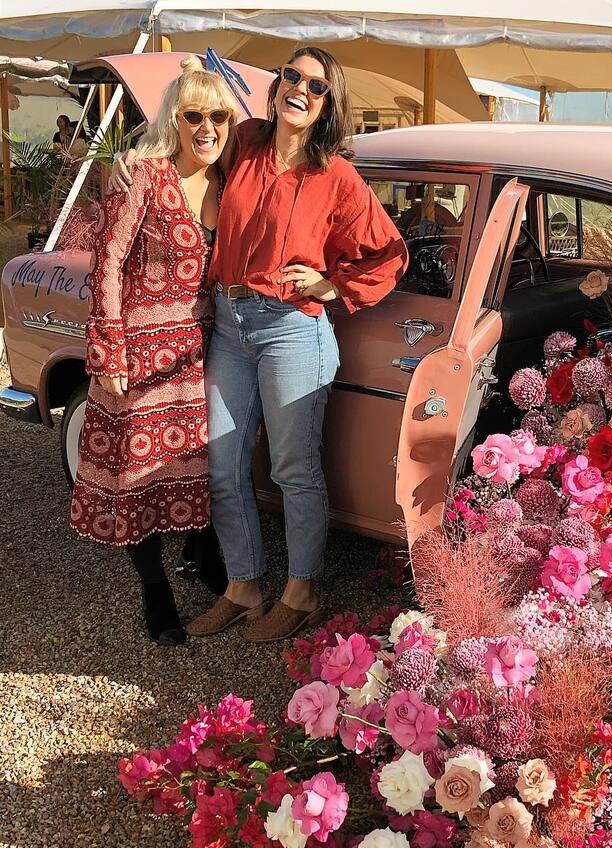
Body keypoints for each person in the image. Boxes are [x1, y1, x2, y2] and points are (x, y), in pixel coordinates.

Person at [116, 48, 408, 643]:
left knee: (292, 468)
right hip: (228, 323)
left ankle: (302, 592)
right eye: (291, 77)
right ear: (276, 88)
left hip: (292, 329)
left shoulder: (336, 176)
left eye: (316, 86)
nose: (300, 89)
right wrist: (131, 161)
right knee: (223, 467)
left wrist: (333, 283)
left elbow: (389, 252)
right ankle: (243, 585)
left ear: (329, 104)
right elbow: (185, 139)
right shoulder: (243, 139)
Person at [71, 58, 233, 645]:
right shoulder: (143, 173)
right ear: (176, 119)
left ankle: (199, 554)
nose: (207, 126)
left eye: (219, 115)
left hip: (202, 352)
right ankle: (154, 587)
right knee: (139, 474)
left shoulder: (227, 181)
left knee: (197, 464)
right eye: (195, 115)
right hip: (140, 351)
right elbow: (108, 262)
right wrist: (108, 350)